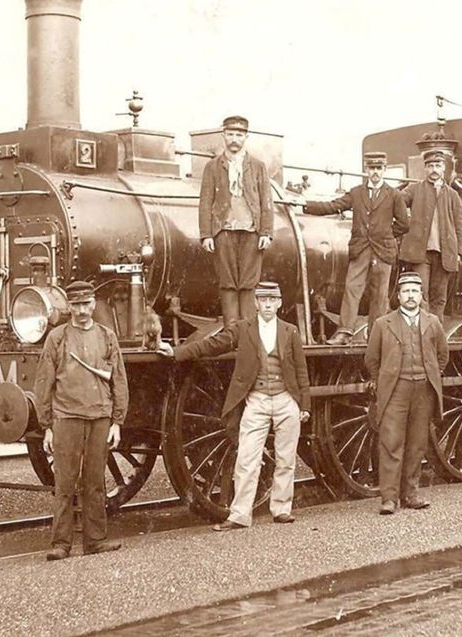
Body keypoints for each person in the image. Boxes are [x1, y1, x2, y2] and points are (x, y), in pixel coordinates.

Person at [159, 282, 311, 530]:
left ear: (280, 303)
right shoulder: (243, 329)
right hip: (257, 400)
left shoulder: (290, 331)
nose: (268, 305)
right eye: (264, 300)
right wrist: (177, 352)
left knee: (286, 458)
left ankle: (282, 509)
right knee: (246, 458)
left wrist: (304, 404)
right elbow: (213, 345)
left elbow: (301, 370)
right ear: (256, 303)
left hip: (286, 400)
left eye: (273, 300)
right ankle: (240, 514)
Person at [35, 281, 127, 560]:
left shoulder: (107, 336)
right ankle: (60, 543)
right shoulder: (57, 338)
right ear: (69, 307)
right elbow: (44, 382)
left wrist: (117, 422)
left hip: (100, 417)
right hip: (66, 418)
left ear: (94, 304)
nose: (82, 310)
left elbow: (119, 380)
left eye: (86, 304)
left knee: (95, 481)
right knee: (64, 483)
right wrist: (47, 426)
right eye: (76, 305)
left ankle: (95, 540)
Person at [304, 151, 409, 345]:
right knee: (352, 289)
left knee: (379, 294)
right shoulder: (356, 193)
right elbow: (333, 206)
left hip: (383, 251)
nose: (375, 172)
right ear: (366, 170)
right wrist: (305, 205)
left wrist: (384, 235)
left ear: (384, 170)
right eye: (371, 168)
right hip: (360, 249)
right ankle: (344, 332)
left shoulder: (394, 195)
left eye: (379, 168)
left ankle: (376, 335)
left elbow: (404, 224)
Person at [365, 272, 449, 514]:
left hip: (423, 390)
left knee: (417, 444)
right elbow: (372, 359)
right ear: (398, 296)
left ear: (421, 295)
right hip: (395, 390)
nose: (411, 296)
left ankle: (410, 494)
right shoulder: (383, 324)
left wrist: (430, 374)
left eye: (415, 291)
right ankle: (389, 499)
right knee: (391, 443)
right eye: (406, 292)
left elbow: (442, 355)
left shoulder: (433, 322)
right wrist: (384, 380)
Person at [198, 115, 274, 325]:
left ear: (246, 137)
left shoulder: (258, 166)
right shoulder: (212, 167)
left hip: (252, 232)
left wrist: (266, 232)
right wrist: (206, 235)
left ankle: (248, 332)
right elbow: (205, 202)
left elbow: (266, 201)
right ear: (223, 135)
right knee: (228, 283)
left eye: (239, 135)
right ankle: (232, 332)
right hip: (224, 231)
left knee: (249, 284)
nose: (234, 139)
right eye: (230, 134)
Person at [398, 150, 462, 322]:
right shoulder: (414, 189)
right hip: (421, 254)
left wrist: (458, 252)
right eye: (430, 166)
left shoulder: (453, 195)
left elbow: (459, 226)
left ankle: (435, 334)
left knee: (439, 297)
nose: (434, 169)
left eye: (437, 165)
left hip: (445, 254)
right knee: (422, 293)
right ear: (425, 169)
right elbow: (397, 203)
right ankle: (420, 331)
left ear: (444, 167)